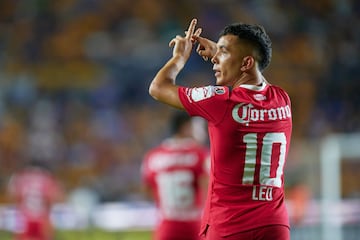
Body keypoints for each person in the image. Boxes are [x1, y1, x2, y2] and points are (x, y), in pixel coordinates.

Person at [148, 18, 292, 240]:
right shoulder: (282, 100)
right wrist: (224, 52)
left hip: (230, 226)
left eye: (223, 53)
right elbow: (256, 76)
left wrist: (179, 57)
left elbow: (158, 88)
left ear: (245, 63)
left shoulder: (221, 101)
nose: (214, 59)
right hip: (275, 225)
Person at [141, 110, 210, 240]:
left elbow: (147, 191)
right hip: (194, 225)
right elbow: (207, 189)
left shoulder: (153, 156)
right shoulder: (199, 154)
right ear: (185, 127)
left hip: (165, 226)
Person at [7, 160, 65, 240]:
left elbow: (14, 196)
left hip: (25, 217)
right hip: (42, 217)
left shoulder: (22, 178)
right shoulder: (47, 178)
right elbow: (55, 197)